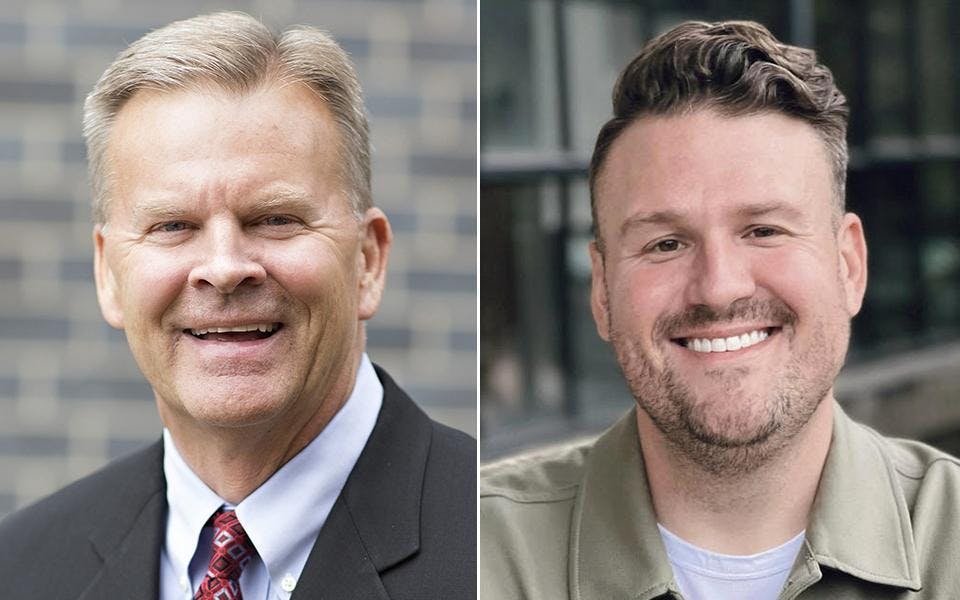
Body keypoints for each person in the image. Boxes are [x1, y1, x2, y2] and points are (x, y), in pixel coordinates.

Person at [0, 11, 475, 599]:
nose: (224, 268)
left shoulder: (487, 544)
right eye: (173, 225)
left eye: (275, 219)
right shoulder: (21, 569)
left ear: (368, 261)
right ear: (108, 274)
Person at [480, 20, 960, 600]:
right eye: (666, 244)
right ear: (602, 291)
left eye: (764, 230)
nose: (719, 288)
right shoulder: (475, 553)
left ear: (849, 266)